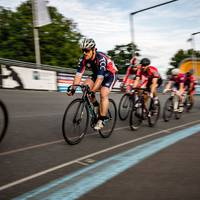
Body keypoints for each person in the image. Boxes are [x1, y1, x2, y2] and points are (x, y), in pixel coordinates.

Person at [67, 38, 118, 130]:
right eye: (83, 50)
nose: (84, 53)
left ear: (93, 50)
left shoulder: (101, 59)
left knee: (103, 93)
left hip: (109, 75)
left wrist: (93, 91)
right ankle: (96, 105)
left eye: (86, 50)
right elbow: (78, 75)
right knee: (84, 87)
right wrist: (73, 89)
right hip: (97, 74)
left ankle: (102, 119)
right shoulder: (83, 59)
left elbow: (100, 78)